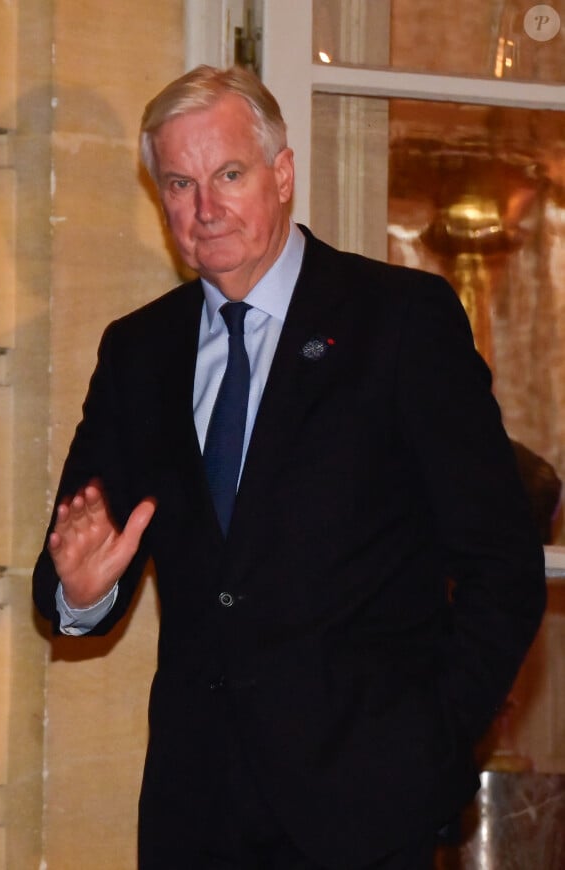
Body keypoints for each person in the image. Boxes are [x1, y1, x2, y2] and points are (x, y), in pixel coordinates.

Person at [33, 65, 546, 870]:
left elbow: (502, 563)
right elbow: (71, 566)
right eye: (179, 182)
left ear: (281, 174)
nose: (205, 208)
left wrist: (430, 744)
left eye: (228, 174)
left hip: (367, 811)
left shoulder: (400, 322)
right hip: (195, 813)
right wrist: (81, 593)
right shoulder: (139, 351)